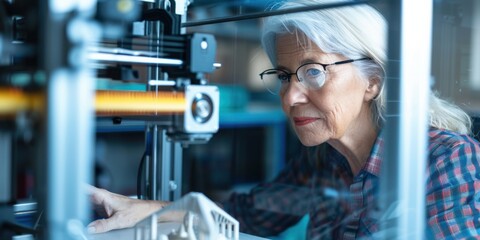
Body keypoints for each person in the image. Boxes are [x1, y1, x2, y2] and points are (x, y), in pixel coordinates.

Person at [87, 0, 480, 239]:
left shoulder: (444, 160)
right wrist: (147, 209)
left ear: (373, 81)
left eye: (314, 72)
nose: (291, 97)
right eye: (285, 76)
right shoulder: (323, 161)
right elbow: (244, 216)